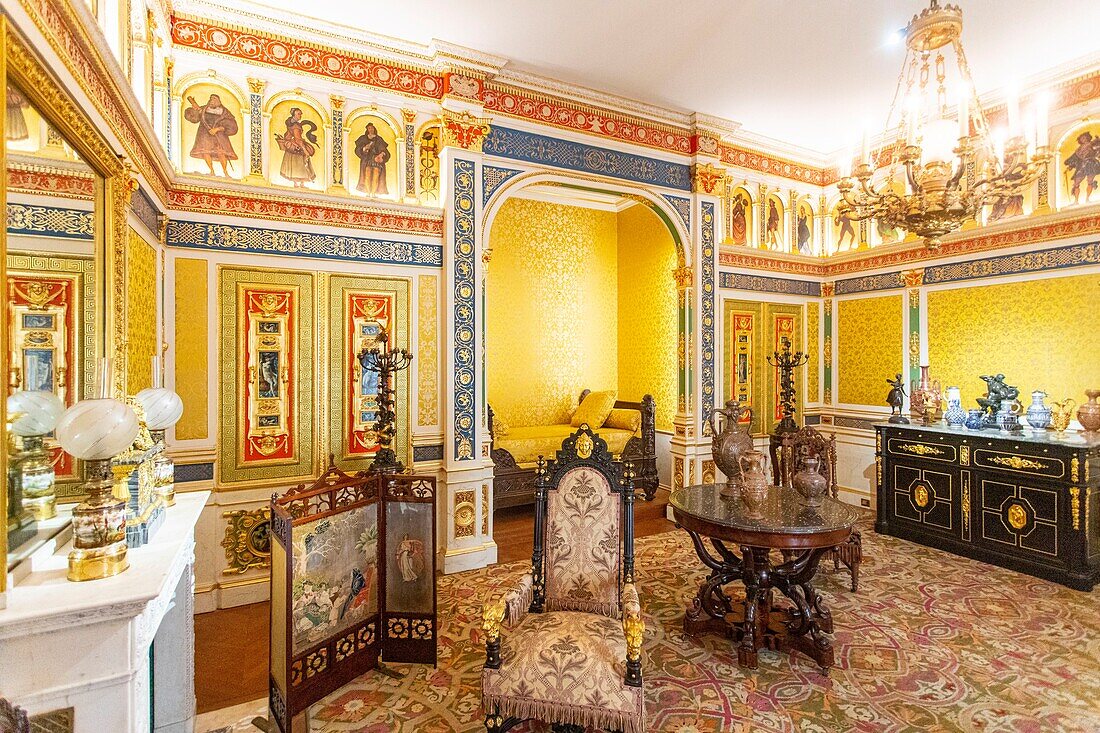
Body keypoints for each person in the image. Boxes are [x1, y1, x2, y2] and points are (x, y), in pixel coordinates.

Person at [183, 93, 238, 176]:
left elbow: (232, 124)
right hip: (204, 134)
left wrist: (218, 129)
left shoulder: (225, 112)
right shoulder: (203, 109)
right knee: (205, 151)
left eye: (214, 99)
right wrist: (193, 111)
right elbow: (195, 119)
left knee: (221, 152)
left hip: (219, 135)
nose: (212, 101)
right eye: (211, 99)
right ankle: (212, 171)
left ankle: (225, 172)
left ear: (219, 101)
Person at [276, 107, 318, 187]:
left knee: (293, 164)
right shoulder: (296, 126)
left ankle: (296, 183)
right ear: (294, 115)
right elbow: (298, 139)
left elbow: (287, 135)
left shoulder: (290, 123)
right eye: (298, 114)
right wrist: (305, 150)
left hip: (291, 145)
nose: (300, 115)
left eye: (300, 113)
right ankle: (301, 183)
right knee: (300, 164)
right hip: (296, 146)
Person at [354, 122, 391, 196]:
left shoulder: (378, 139)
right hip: (367, 159)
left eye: (372, 128)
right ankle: (368, 192)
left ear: (374, 129)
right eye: (369, 128)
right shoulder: (363, 138)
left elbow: (383, 149)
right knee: (367, 174)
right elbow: (358, 149)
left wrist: (381, 154)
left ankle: (373, 193)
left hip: (376, 159)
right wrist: (364, 148)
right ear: (367, 129)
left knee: (376, 175)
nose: (371, 129)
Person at [1064, 131, 1099, 205]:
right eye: (1081, 138)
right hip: (1082, 165)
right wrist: (1070, 166)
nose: (1083, 139)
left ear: (1087, 137)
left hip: (1091, 163)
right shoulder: (1078, 149)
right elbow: (1075, 158)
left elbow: (1098, 150)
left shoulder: (1092, 144)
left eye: (1084, 137)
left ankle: (1087, 199)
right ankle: (1076, 201)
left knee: (1090, 181)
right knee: (1076, 182)